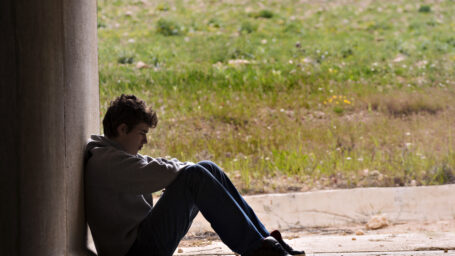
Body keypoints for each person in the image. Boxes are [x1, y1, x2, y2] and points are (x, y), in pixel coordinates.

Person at [84, 94, 305, 256]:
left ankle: (263, 240)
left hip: (142, 241)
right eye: (142, 133)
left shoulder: (116, 156)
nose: (145, 141)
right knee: (194, 175)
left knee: (206, 167)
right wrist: (187, 172)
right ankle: (258, 250)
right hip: (134, 252)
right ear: (122, 129)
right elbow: (157, 171)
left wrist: (188, 170)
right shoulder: (105, 161)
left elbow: (154, 166)